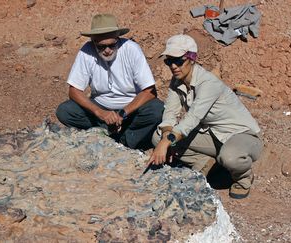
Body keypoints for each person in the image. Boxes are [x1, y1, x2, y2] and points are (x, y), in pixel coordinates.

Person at [148, 34, 263, 199]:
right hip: (212, 134)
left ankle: (243, 178)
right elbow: (170, 112)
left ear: (192, 58)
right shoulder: (177, 81)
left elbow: (192, 118)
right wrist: (166, 136)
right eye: (168, 61)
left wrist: (167, 143)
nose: (173, 66)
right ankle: (205, 163)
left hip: (240, 135)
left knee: (229, 157)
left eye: (179, 61)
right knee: (157, 137)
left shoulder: (208, 83)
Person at [56, 14, 163, 150]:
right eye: (101, 46)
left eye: (112, 45)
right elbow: (73, 90)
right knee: (65, 111)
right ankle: (108, 133)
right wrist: (100, 112)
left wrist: (123, 113)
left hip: (131, 109)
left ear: (118, 38)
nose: (107, 50)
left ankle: (124, 141)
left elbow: (150, 91)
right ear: (93, 42)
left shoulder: (131, 49)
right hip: (101, 108)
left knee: (157, 110)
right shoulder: (86, 51)